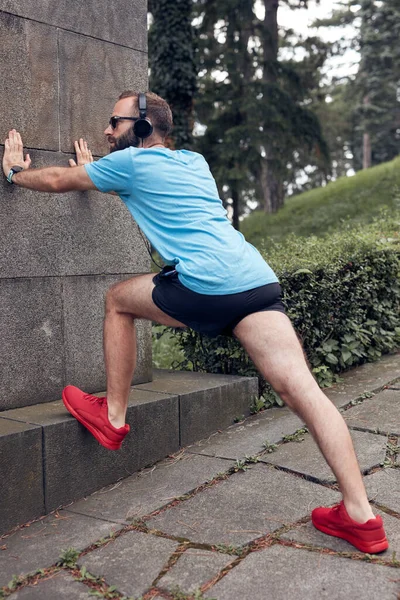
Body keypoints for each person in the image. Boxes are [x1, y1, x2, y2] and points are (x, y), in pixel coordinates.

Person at [2, 91, 388, 554]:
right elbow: (136, 185)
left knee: (118, 301)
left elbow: (61, 180)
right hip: (254, 281)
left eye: (114, 123)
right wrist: (99, 171)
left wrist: (15, 171)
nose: (107, 131)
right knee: (304, 391)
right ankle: (362, 515)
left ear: (142, 128)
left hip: (206, 284)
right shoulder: (193, 161)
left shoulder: (131, 165)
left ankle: (114, 418)